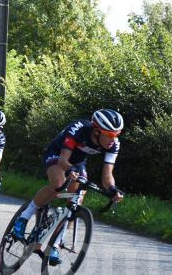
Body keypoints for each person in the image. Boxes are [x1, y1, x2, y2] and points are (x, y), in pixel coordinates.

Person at [10, 109, 125, 265]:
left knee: (77, 198)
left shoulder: (113, 144)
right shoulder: (78, 129)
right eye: (110, 134)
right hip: (57, 155)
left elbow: (107, 175)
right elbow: (63, 160)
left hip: (77, 163)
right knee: (58, 184)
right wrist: (69, 170)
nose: (114, 138)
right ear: (97, 131)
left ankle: (56, 244)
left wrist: (112, 189)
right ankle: (24, 217)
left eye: (117, 134)